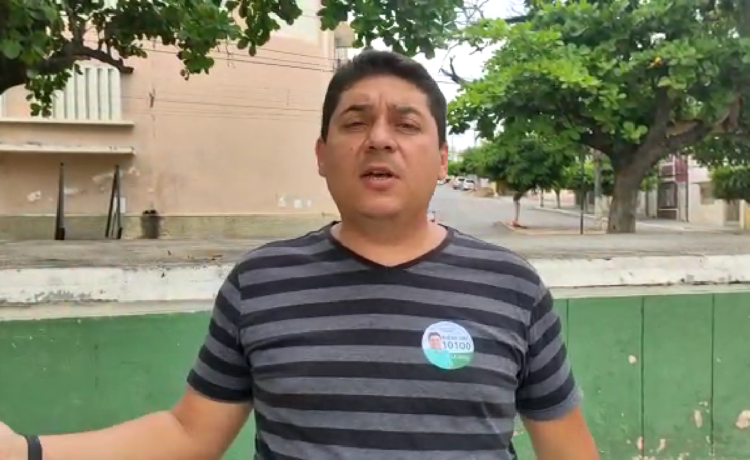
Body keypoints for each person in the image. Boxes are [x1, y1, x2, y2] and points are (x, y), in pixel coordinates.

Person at [0, 50, 599, 460]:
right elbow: (188, 434)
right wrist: (26, 452)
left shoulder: (511, 287)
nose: (379, 138)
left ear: (442, 158)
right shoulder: (261, 283)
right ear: (321, 154)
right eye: (355, 122)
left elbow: (568, 450)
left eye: (407, 125)